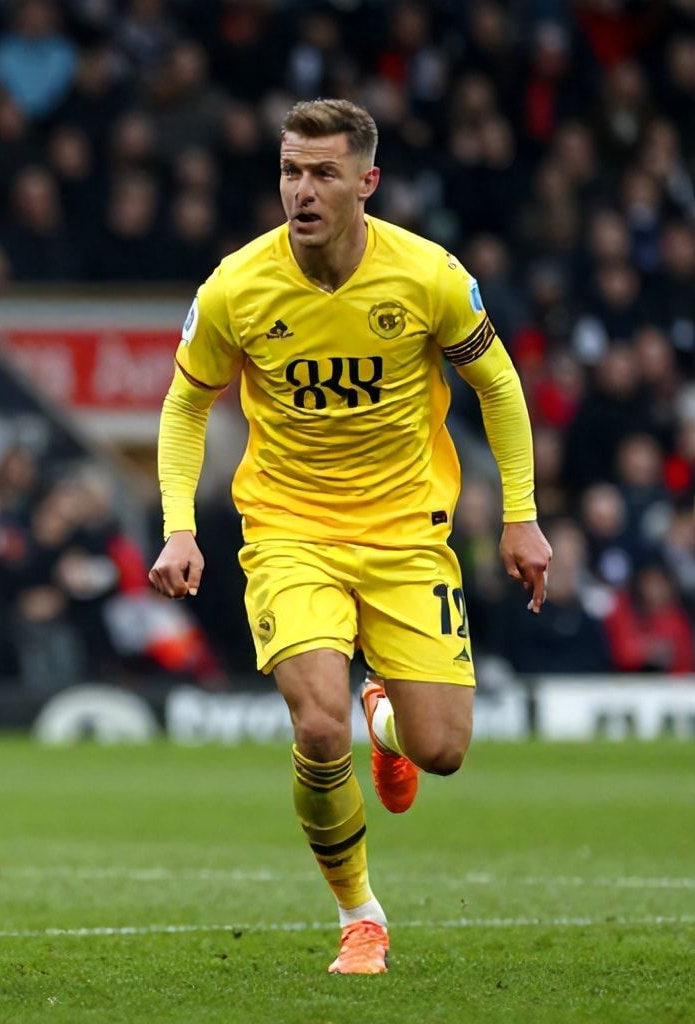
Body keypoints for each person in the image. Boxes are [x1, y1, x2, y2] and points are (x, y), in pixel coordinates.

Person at [149, 99, 551, 975]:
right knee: (317, 726)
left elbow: (501, 388)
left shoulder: (430, 275)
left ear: (366, 183)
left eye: (324, 172)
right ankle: (359, 915)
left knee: (440, 750)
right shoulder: (236, 286)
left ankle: (390, 724)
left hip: (408, 533)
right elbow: (186, 405)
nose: (303, 189)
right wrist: (180, 525)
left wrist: (519, 513)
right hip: (290, 530)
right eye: (292, 170)